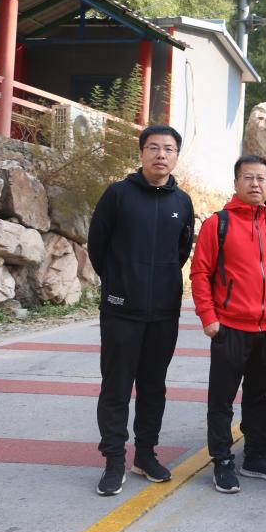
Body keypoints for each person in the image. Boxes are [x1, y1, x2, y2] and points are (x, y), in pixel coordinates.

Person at [88, 125, 194, 496]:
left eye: (168, 149)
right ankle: (114, 460)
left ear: (176, 156)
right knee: (116, 388)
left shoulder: (182, 203)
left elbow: (181, 252)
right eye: (153, 148)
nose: (161, 155)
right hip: (121, 311)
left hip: (163, 313)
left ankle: (145, 455)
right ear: (142, 153)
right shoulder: (118, 195)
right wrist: (121, 283)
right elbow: (97, 247)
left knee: (153, 387)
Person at [190, 155, 266, 494]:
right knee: (221, 400)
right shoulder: (218, 224)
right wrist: (209, 319)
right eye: (248, 177)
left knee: (257, 397)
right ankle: (222, 461)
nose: (255, 184)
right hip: (230, 328)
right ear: (236, 182)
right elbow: (200, 273)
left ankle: (254, 457)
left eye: (261, 178)